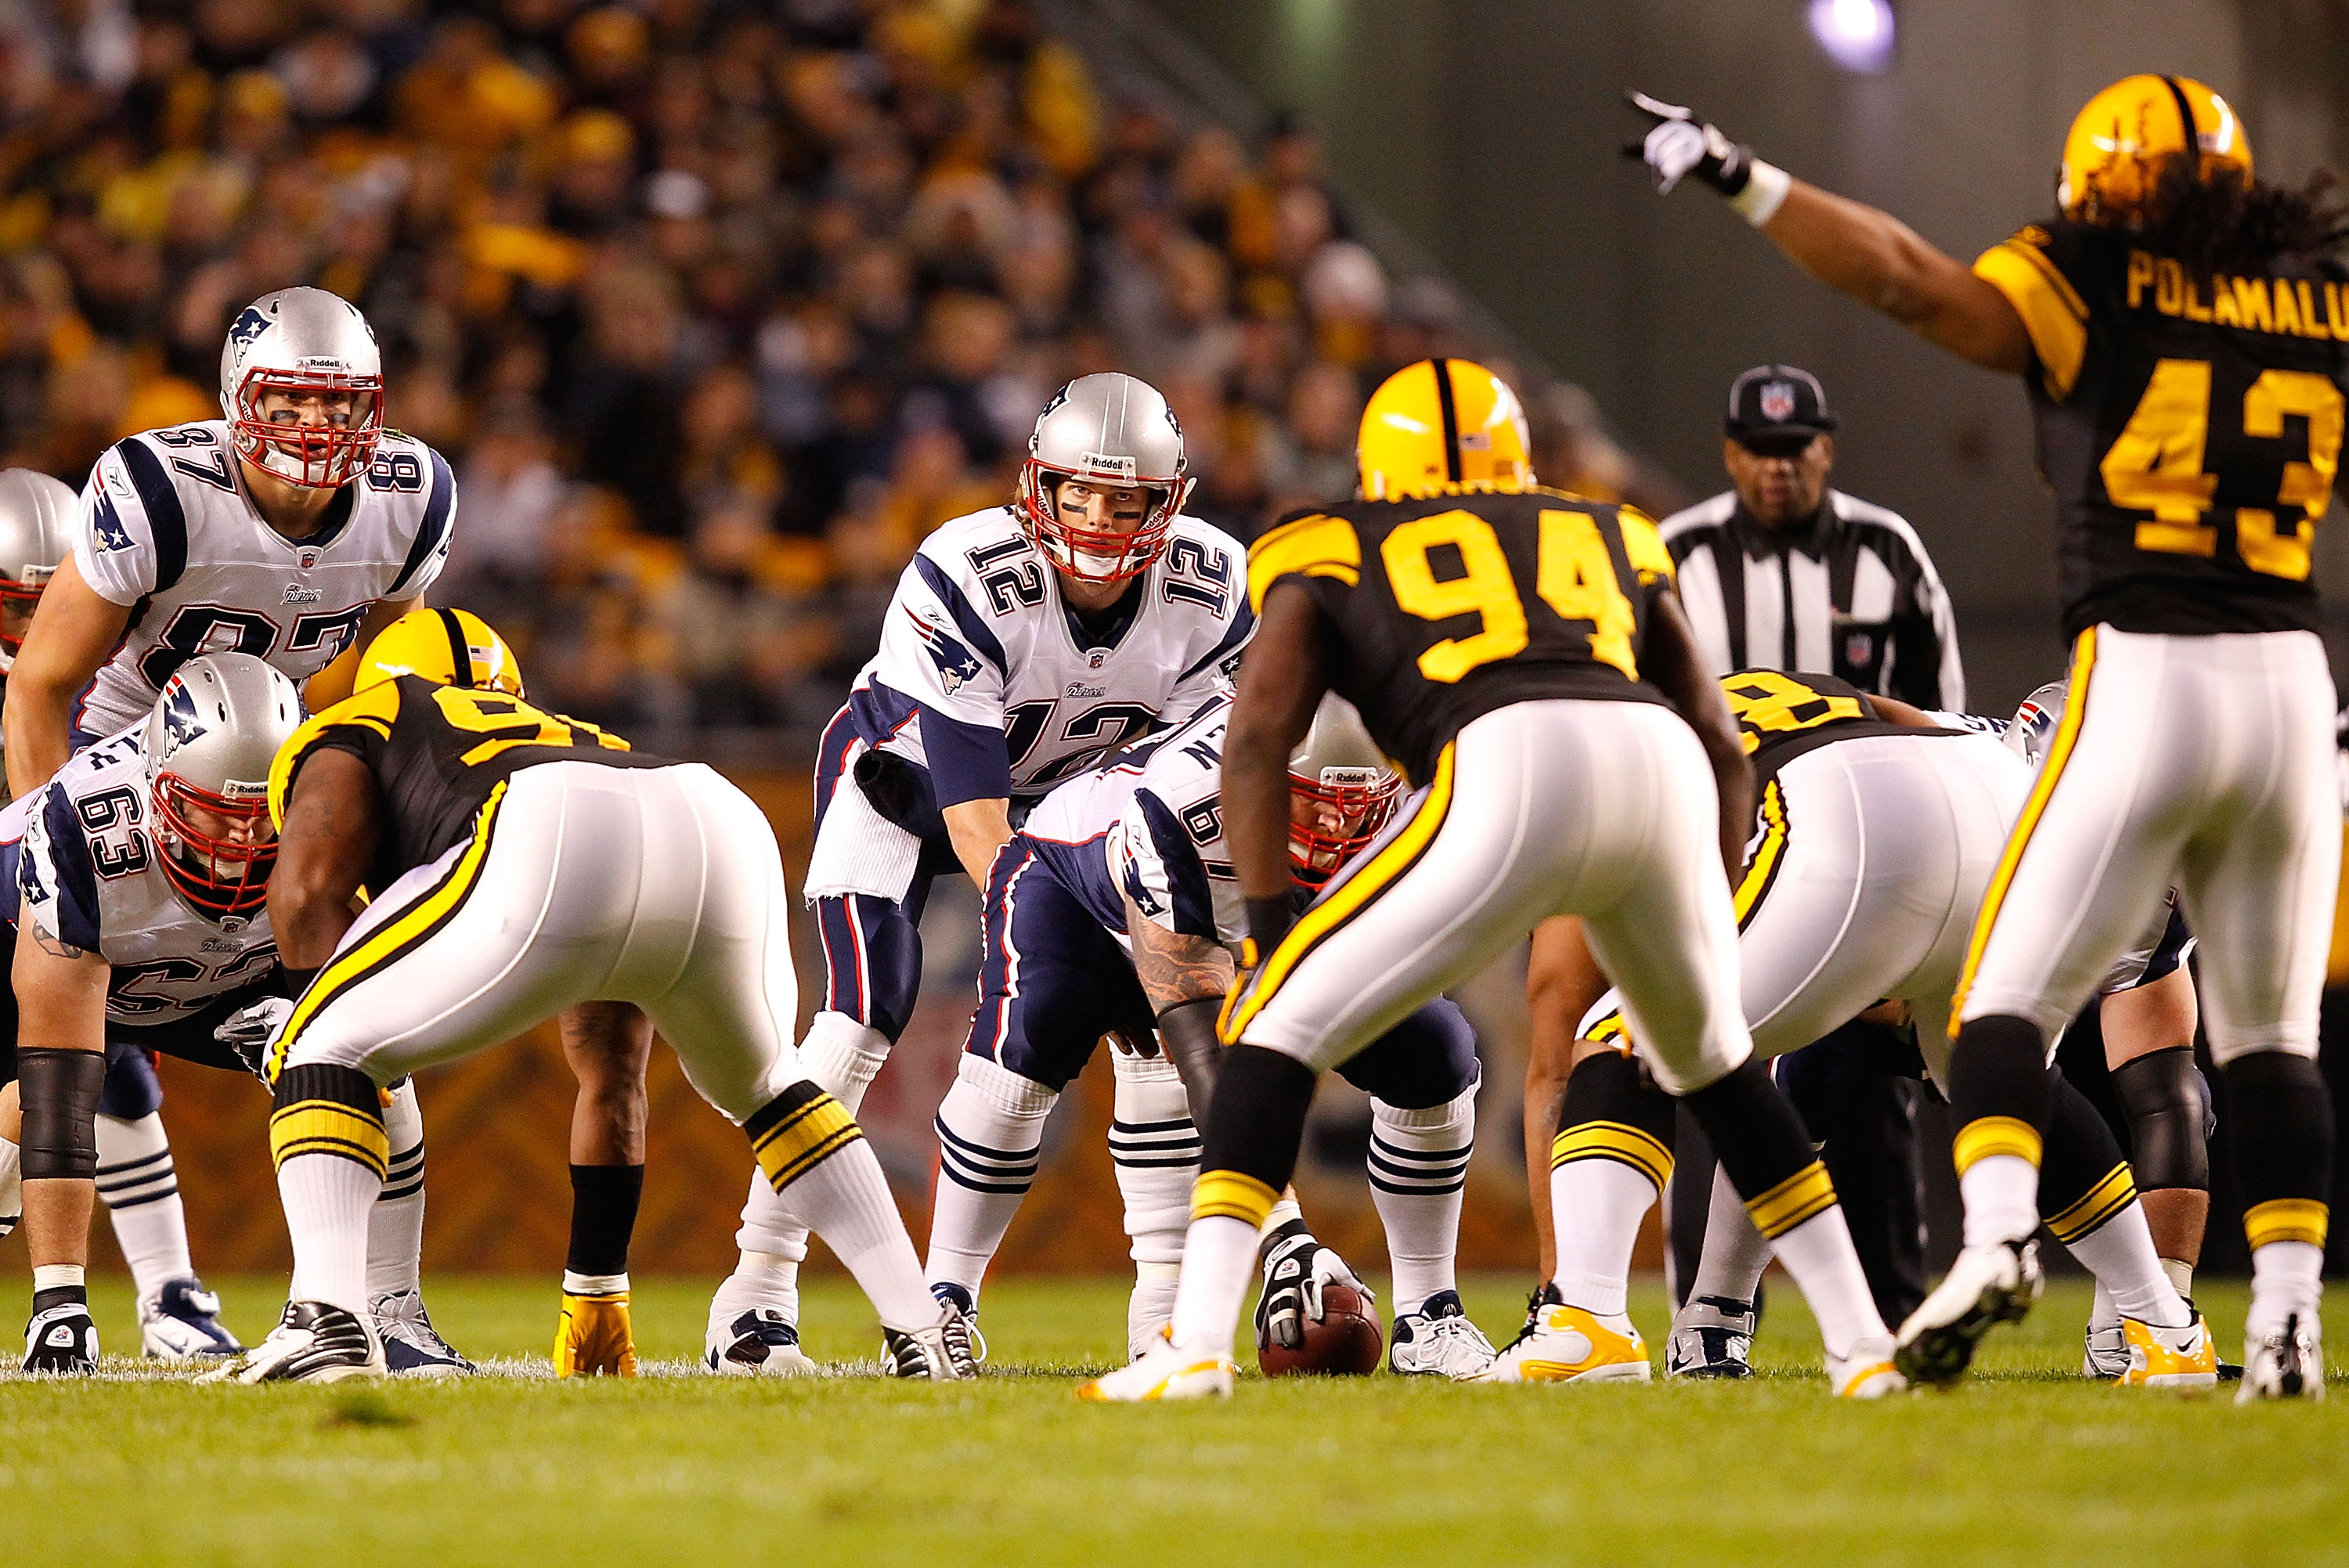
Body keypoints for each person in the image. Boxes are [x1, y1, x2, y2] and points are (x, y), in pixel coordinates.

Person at [1627, 74, 2345, 1397]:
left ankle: (2000, 1241)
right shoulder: (2313, 297)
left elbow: (1906, 278)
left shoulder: (2094, 278)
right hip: (2296, 683)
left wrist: (1746, 178)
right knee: (2272, 1038)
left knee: (2003, 1000)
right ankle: (2286, 1323)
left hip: (2149, 666)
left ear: (2106, 188)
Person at [1082, 357, 1899, 1401]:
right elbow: (1718, 739)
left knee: (1272, 1024)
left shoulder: (1326, 538)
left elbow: (1256, 744)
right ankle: (1862, 1343)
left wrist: (1272, 929)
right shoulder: (1610, 528)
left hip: (1508, 758)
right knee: (1719, 1065)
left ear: (1379, 466)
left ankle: (1194, 1345)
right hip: (1659, 764)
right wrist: (1718, 899)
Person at [204, 615, 970, 1383]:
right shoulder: (564, 726)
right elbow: (613, 1059)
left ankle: (326, 1318)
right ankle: (921, 1326)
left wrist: (326, 1055)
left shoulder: (365, 716)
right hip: (712, 811)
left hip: (545, 820)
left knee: (316, 1044)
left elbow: (307, 893)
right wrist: (597, 1286)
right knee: (772, 1089)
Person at [703, 373, 1251, 1373]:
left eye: (1124, 500)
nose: (1095, 520)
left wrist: (1149, 937)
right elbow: (977, 819)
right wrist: (1084, 929)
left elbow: (1180, 793)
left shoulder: (1212, 584)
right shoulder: (968, 564)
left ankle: (1163, 1312)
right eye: (1077, 493)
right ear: (1037, 486)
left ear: (1169, 504)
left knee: (1156, 1014)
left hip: (1081, 818)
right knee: (864, 1011)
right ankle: (757, 1287)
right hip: (908, 785)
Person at [1527, 669, 2215, 1387]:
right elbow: (1889, 714)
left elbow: (1563, 992)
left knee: (1625, 1034)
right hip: (1981, 813)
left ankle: (1593, 1317)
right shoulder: (1784, 699)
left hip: (1855, 814)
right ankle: (2165, 1327)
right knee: (2013, 1080)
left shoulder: (1607, 760)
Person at [2, 288, 455, 1360]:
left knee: (356, 1029)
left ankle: (366, 1307)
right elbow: (40, 687)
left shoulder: (413, 496)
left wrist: (345, 819)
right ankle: (119, 1289)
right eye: (288, 402)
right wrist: (46, 855)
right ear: (232, 402)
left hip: (272, 770)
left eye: (339, 407)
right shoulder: (163, 488)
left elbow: (386, 683)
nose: (314, 430)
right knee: (48, 1073)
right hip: (129, 766)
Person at [923, 690, 1492, 1375]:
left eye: (1355, 805)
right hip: (1074, 884)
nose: (1334, 822)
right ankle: (942, 1304)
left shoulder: (1426, 793)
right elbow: (1204, 1052)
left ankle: (1430, 1314)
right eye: (1311, 798)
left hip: (1267, 919)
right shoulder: (1181, 806)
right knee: (1026, 1048)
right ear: (1260, 777)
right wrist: (1284, 1235)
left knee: (1436, 1052)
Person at [9, 654, 451, 1375]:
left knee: (371, 1066)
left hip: (214, 976)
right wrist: (61, 1303)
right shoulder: (80, 823)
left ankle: (390, 1310)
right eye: (213, 809)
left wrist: (317, 1021)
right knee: (22, 1114)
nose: (241, 842)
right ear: (156, 785)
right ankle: (68, 1306)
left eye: (261, 814)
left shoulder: (332, 803)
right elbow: (59, 1088)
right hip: (64, 964)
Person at [1648, 362, 1966, 1325]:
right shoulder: (1676, 553)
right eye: (1759, 450)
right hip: (1722, 848)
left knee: (1871, 1084)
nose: (1779, 469)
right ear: (1729, 451)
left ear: (1826, 446)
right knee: (1702, 1059)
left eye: (1797, 449)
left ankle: (1898, 1316)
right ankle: (1698, 1310)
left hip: (1872, 860)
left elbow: (1943, 714)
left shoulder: (1888, 550)